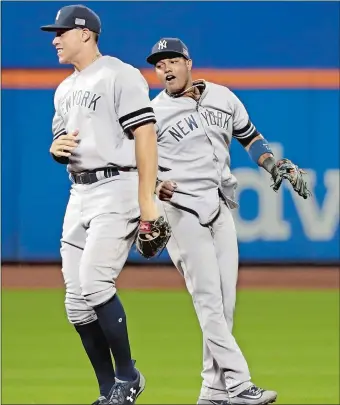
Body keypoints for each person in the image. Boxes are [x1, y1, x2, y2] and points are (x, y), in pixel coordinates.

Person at [145, 37, 310, 405]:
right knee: (208, 300)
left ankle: (212, 391)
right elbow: (137, 164)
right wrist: (155, 186)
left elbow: (251, 139)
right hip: (181, 210)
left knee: (226, 304)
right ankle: (239, 383)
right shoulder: (152, 113)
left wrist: (275, 163)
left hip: (219, 208)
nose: (166, 69)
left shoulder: (224, 97)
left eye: (172, 61)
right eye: (159, 65)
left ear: (189, 62)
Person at [40, 6, 169, 405]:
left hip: (117, 186)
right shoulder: (64, 89)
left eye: (61, 32)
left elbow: (145, 136)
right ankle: (108, 391)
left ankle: (128, 377)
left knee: (95, 283)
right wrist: (55, 149)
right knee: (76, 303)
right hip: (79, 193)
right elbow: (62, 140)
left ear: (86, 34)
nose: (54, 39)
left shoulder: (119, 75)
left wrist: (146, 200)